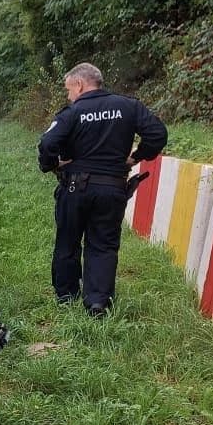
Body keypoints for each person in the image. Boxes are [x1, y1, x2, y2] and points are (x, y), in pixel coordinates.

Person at [38, 62, 167, 316]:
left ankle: (66, 296)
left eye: (68, 90)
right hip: (112, 188)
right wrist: (137, 156)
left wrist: (52, 165)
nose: (68, 95)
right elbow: (157, 134)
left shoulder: (72, 112)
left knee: (68, 241)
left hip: (75, 188)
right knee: (103, 245)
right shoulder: (130, 106)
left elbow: (48, 142)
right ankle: (97, 301)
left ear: (80, 84)